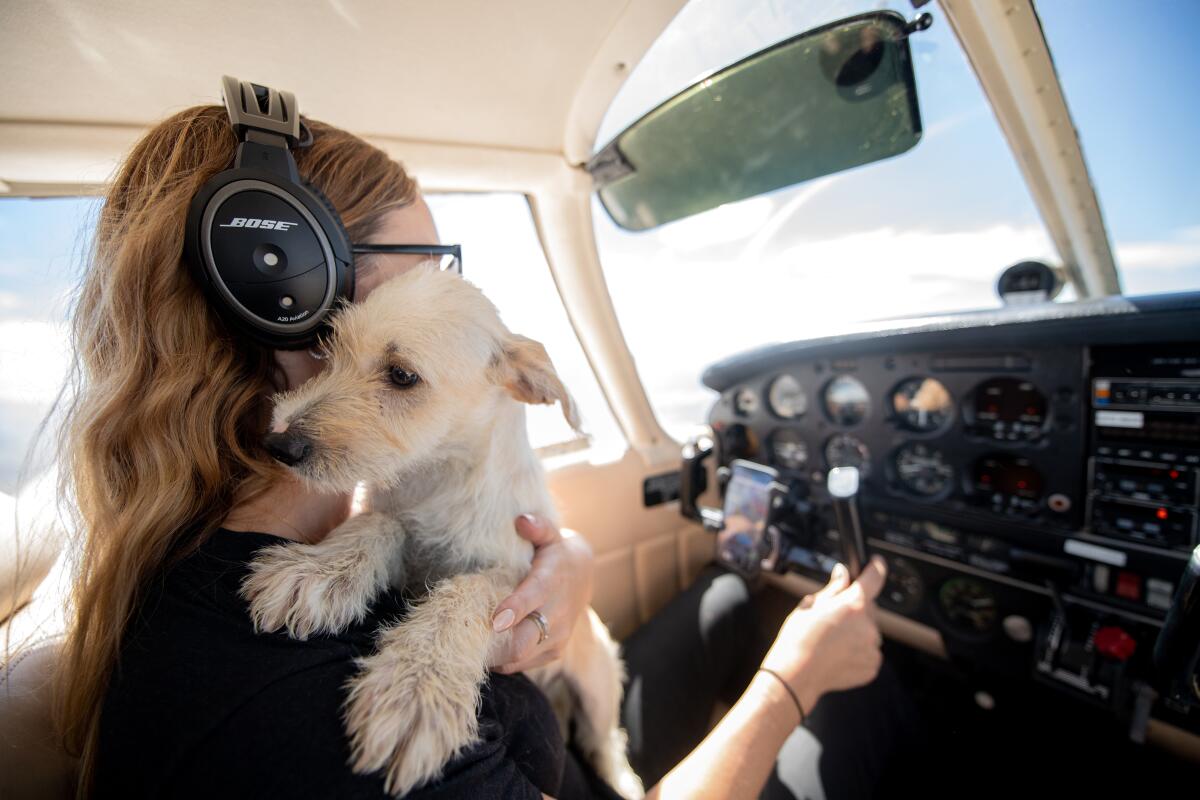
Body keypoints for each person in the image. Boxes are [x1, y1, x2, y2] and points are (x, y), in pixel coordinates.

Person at [53, 104, 901, 799]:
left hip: (572, 737)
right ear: (280, 293)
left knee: (726, 592)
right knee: (864, 703)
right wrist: (792, 682)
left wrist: (558, 568)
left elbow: (472, 541)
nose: (438, 288)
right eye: (414, 265)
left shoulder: (300, 540)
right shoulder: (273, 705)